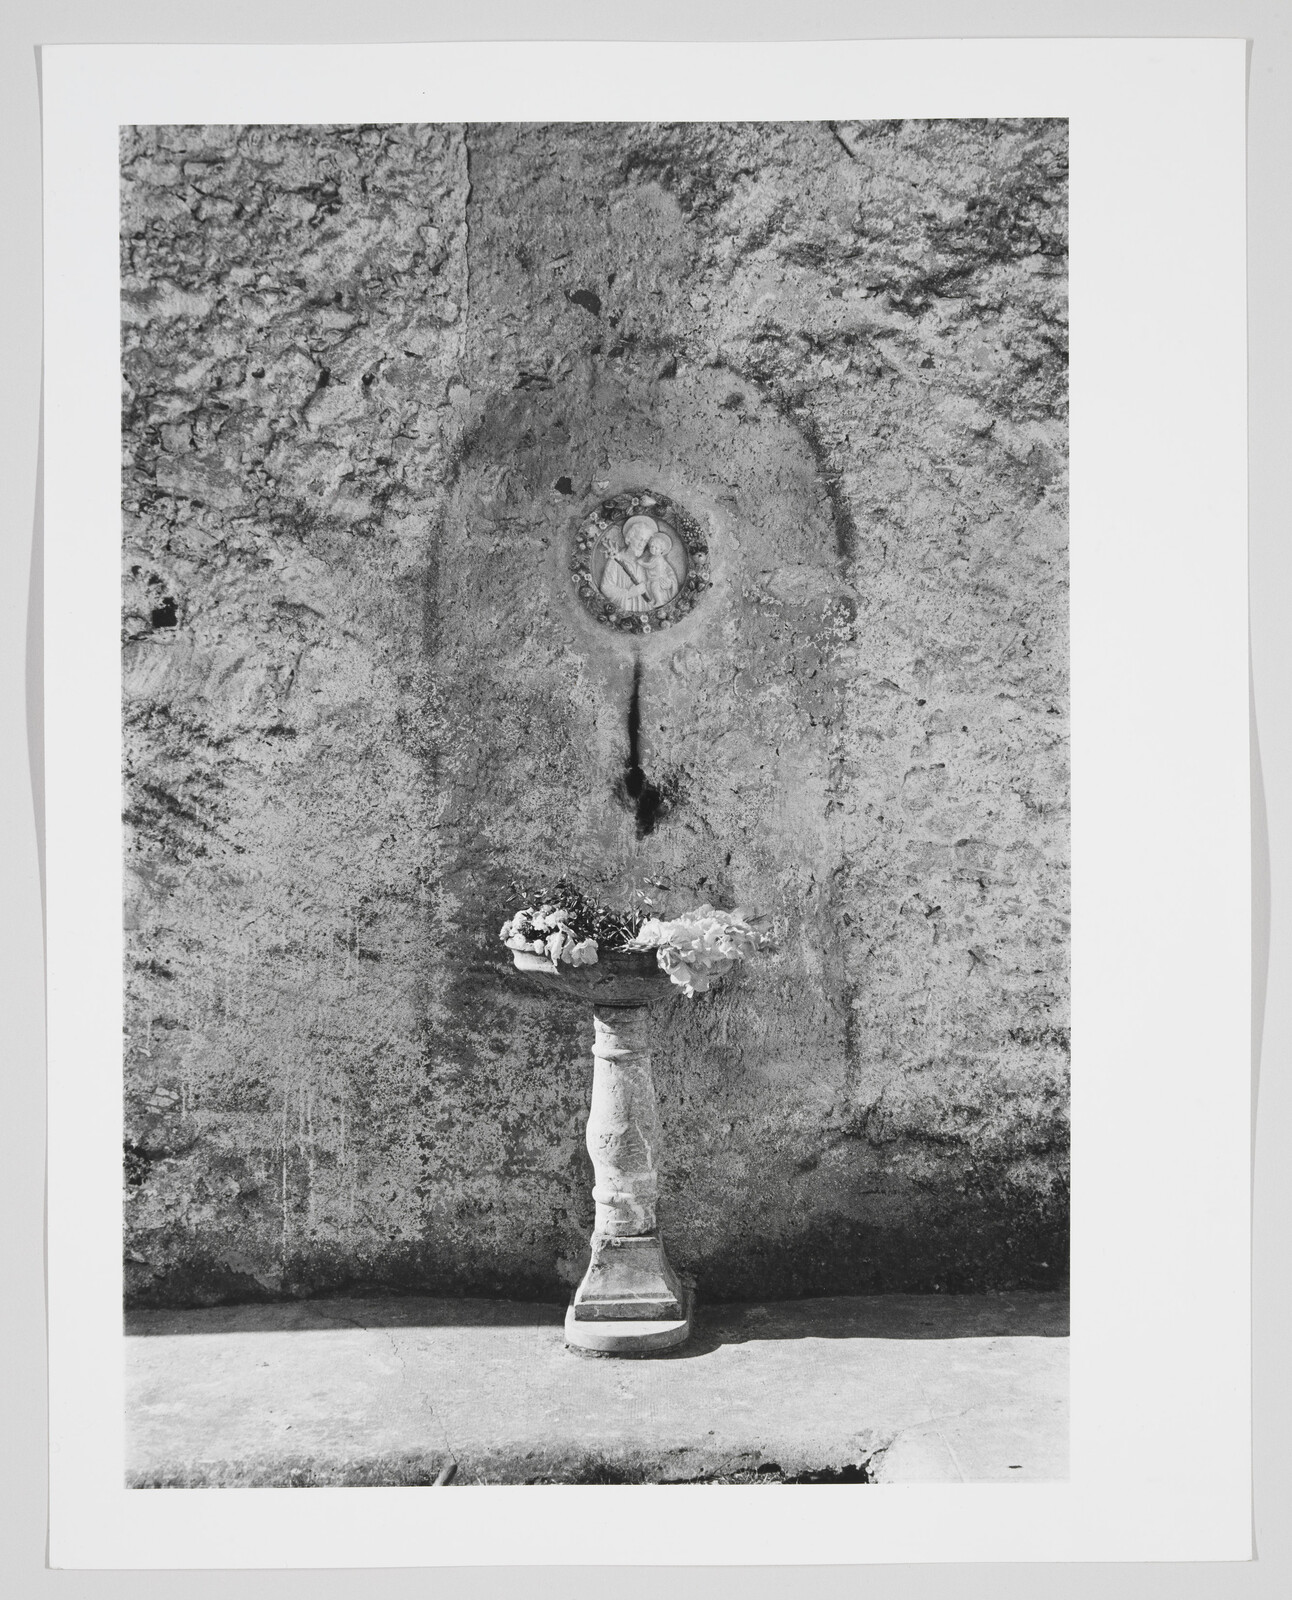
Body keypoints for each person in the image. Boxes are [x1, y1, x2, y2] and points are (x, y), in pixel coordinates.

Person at [598, 515, 654, 612]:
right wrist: (629, 593)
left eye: (645, 541)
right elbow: (605, 588)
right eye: (639, 539)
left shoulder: (644, 563)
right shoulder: (615, 560)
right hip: (625, 610)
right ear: (629, 538)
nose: (641, 544)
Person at [642, 529, 680, 608]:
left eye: (656, 548)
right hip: (651, 579)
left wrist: (670, 583)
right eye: (652, 547)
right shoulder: (650, 557)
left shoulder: (659, 559)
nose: (653, 549)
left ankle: (659, 601)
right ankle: (653, 599)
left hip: (657, 579)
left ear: (662, 550)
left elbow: (650, 566)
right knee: (650, 587)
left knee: (654, 588)